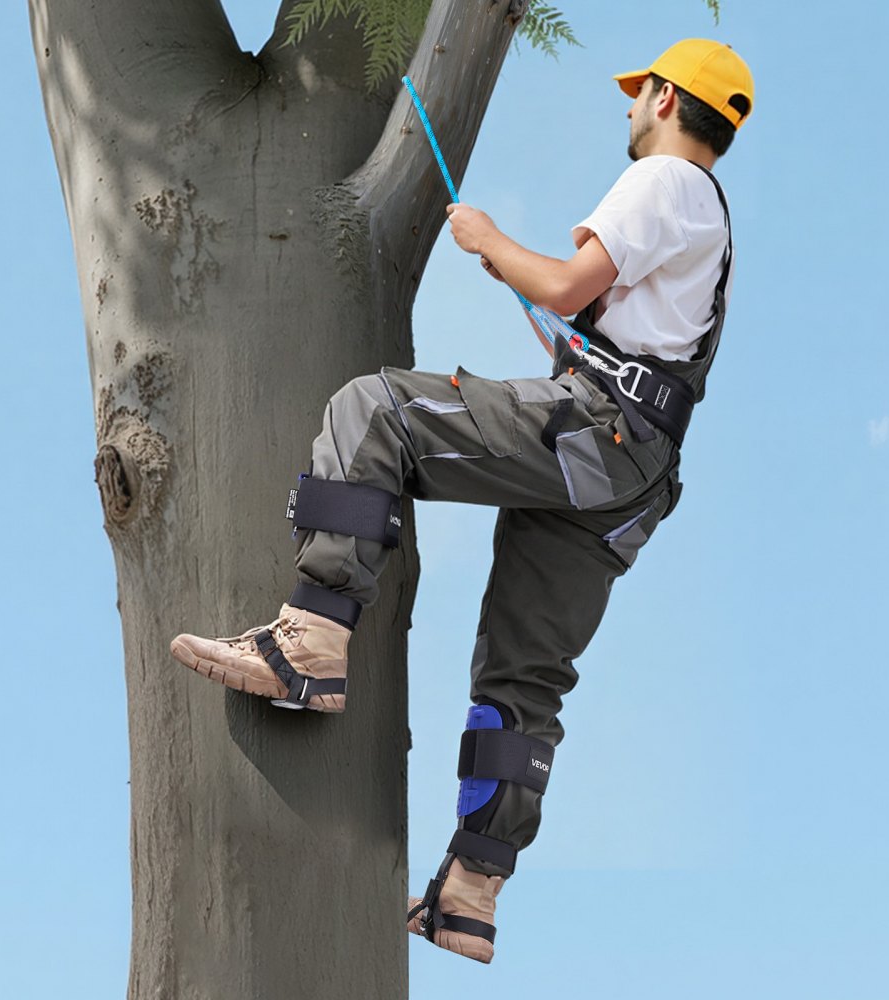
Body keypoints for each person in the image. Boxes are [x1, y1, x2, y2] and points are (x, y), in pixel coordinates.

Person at [170, 38, 754, 964]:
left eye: (638, 92)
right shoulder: (713, 217)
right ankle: (470, 892)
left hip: (598, 432)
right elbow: (616, 325)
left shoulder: (666, 181)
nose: (629, 108)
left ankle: (312, 637)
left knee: (378, 411)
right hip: (634, 472)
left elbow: (566, 285)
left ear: (670, 99)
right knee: (523, 676)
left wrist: (489, 243)